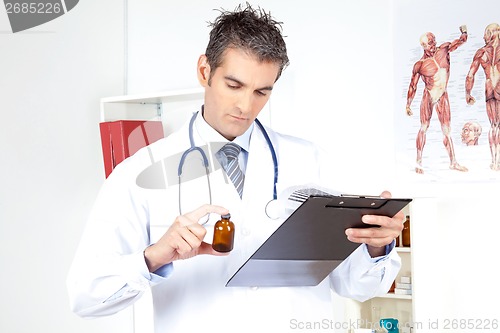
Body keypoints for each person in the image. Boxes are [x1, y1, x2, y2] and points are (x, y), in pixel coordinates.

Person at [67, 4, 404, 332]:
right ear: (204, 71)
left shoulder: (309, 160)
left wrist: (376, 246)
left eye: (262, 92)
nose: (246, 106)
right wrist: (153, 258)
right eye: (234, 85)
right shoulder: (138, 172)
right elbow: (85, 296)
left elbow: (357, 287)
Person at [405, 26, 468, 174]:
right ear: (424, 46)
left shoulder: (444, 49)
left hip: (442, 95)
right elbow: (413, 85)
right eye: (430, 43)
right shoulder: (420, 65)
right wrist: (408, 104)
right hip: (429, 95)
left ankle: (453, 162)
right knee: (424, 128)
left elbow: (461, 41)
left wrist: (464, 31)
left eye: (434, 42)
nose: (433, 45)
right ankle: (418, 162)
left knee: (447, 130)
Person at [465, 23, 500, 170]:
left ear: (491, 34)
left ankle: (495, 161)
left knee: (494, 125)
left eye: (485, 33)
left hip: (489, 87)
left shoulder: (481, 52)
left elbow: (470, 75)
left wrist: (468, 93)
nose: (483, 37)